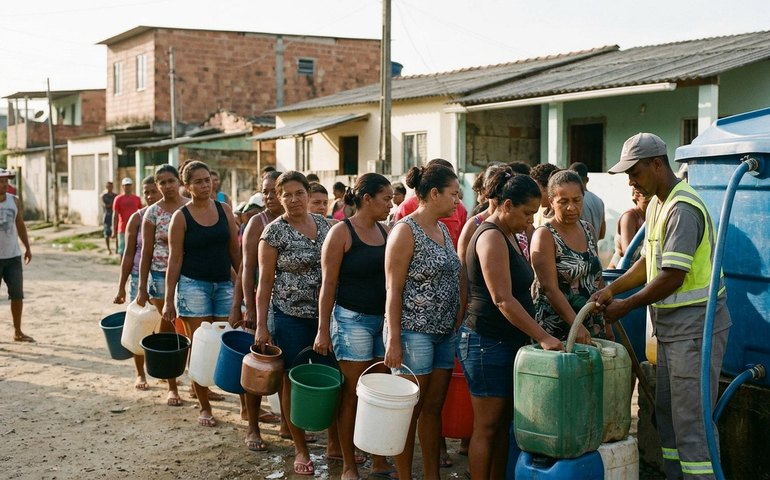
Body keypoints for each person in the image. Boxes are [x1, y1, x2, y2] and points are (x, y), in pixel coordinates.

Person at [592, 132, 731, 480]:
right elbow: (648, 261)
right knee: (668, 416)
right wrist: (612, 289)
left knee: (692, 422)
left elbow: (672, 276)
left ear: (657, 164)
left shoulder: (682, 208)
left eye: (634, 172)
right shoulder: (657, 203)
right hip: (672, 331)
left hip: (695, 330)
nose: (631, 181)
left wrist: (626, 305)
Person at [459, 170, 563, 479]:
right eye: (527, 213)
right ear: (506, 205)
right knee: (487, 427)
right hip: (486, 344)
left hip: (507, 342)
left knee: (504, 424)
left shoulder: (510, 235)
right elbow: (502, 299)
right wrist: (543, 337)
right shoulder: (490, 237)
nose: (530, 220)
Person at [384, 162, 463, 480]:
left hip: (443, 333)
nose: (457, 200)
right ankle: (405, 475)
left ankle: (432, 474)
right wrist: (394, 339)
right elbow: (393, 289)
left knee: (433, 408)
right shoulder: (405, 231)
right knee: (410, 410)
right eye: (453, 194)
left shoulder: (443, 230)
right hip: (413, 333)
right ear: (433, 193)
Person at [314, 173, 394, 480]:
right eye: (386, 199)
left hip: (382, 322)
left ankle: (378, 459)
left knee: (379, 393)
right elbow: (327, 285)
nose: (391, 204)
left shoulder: (386, 231)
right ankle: (349, 463)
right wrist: (323, 330)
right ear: (367, 199)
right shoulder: (341, 232)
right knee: (351, 393)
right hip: (351, 321)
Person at [254, 171, 332, 476]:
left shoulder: (325, 225)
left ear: (308, 193)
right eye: (286, 194)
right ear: (278, 197)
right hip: (289, 316)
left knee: (333, 376)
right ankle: (300, 448)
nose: (294, 199)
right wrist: (262, 325)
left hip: (326, 316)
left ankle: (335, 443)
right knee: (291, 379)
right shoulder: (273, 232)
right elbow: (264, 283)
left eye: (299, 193)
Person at [163, 161, 240, 429]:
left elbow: (234, 251)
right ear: (187, 186)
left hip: (224, 285)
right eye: (198, 181)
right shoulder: (180, 217)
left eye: (207, 180)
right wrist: (169, 299)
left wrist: (243, 287)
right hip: (192, 286)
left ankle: (242, 405)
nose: (205, 185)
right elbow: (174, 260)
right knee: (200, 346)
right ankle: (204, 406)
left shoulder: (224, 209)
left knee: (227, 342)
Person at [530, 170, 610, 345]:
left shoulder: (588, 229)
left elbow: (597, 277)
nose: (571, 207)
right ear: (551, 202)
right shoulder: (545, 235)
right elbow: (550, 289)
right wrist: (576, 325)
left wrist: (607, 322)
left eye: (576, 200)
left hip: (592, 323)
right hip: (558, 329)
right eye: (563, 201)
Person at [136, 164, 187, 407]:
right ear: (157, 186)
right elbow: (146, 252)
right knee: (168, 330)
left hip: (190, 275)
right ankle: (172, 386)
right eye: (162, 183)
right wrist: (141, 287)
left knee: (192, 331)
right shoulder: (152, 213)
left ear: (179, 182)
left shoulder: (190, 207)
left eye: (171, 181)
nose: (167, 186)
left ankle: (200, 385)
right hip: (159, 276)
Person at [113, 176, 162, 390]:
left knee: (163, 328)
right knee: (139, 326)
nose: (150, 196)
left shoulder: (174, 215)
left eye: (153, 191)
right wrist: (121, 287)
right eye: (146, 192)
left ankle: (164, 370)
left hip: (165, 277)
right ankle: (140, 374)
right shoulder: (137, 218)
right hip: (138, 277)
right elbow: (128, 253)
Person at [393, 158, 468, 249]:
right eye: (453, 194)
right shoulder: (404, 225)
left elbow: (462, 247)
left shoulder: (443, 228)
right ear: (435, 193)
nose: (457, 201)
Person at [0, 169, 33, 343]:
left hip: (12, 257)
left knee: (17, 295)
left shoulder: (14, 201)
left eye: (6, 181)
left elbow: (20, 224)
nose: (4, 184)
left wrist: (27, 247)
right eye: (1, 181)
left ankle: (18, 332)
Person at [608, 187, 651, 268]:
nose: (651, 203)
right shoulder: (629, 217)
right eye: (648, 200)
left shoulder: (649, 217)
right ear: (637, 196)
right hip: (620, 270)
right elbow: (628, 252)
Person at [569, 162, 607, 240]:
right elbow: (602, 234)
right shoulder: (599, 201)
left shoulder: (575, 201)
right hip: (593, 246)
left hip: (577, 245)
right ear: (587, 180)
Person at [112, 177, 142, 256]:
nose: (127, 187)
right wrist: (114, 230)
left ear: (132, 186)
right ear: (122, 186)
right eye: (126, 185)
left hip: (135, 228)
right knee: (122, 250)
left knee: (135, 250)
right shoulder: (118, 199)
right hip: (122, 228)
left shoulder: (137, 198)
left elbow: (141, 212)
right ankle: (122, 264)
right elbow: (115, 215)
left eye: (129, 185)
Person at [529, 163, 560, 230]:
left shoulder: (560, 217)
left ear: (549, 188)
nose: (533, 194)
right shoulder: (538, 210)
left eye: (536, 189)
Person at [101, 181, 117, 254]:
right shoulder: (104, 196)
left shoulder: (115, 196)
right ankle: (108, 249)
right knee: (107, 233)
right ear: (106, 187)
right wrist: (113, 205)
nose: (110, 188)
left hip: (115, 215)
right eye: (109, 186)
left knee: (116, 231)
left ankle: (117, 248)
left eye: (111, 186)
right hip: (107, 215)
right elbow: (106, 205)